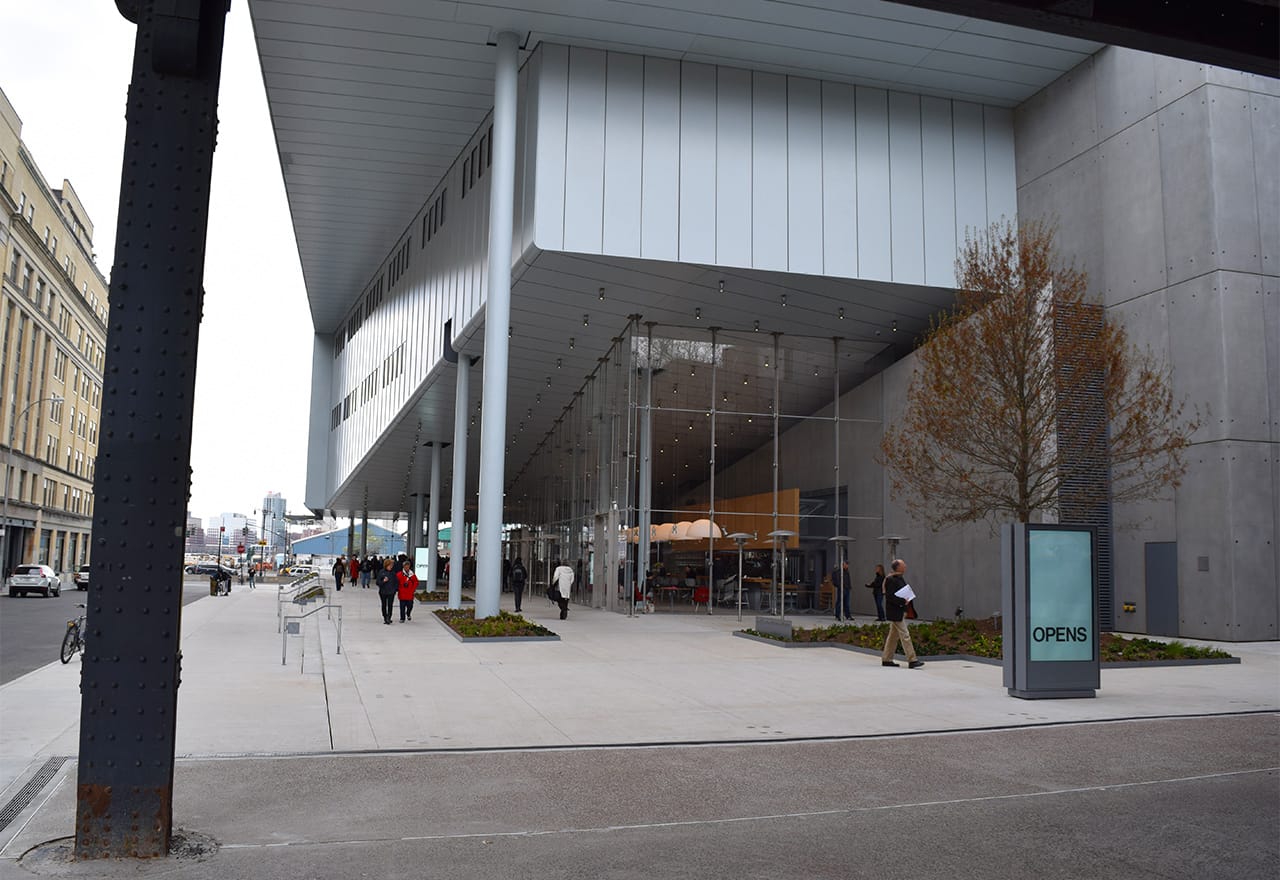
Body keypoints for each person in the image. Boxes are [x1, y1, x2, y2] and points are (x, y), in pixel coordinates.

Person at [881, 559, 923, 669]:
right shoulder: (891, 579)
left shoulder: (898, 578)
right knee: (905, 635)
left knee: (893, 637)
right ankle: (912, 659)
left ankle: (887, 659)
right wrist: (902, 601)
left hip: (899, 610)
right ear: (898, 567)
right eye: (903, 564)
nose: (905, 566)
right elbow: (890, 596)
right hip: (895, 611)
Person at [375, 557, 398, 625]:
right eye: (390, 565)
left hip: (391, 592)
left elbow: (396, 582)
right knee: (384, 605)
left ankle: (389, 617)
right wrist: (383, 581)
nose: (391, 567)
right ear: (386, 565)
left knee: (390, 605)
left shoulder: (393, 573)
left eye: (392, 565)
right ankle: (385, 617)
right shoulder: (381, 572)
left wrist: (395, 589)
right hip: (383, 592)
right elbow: (377, 582)